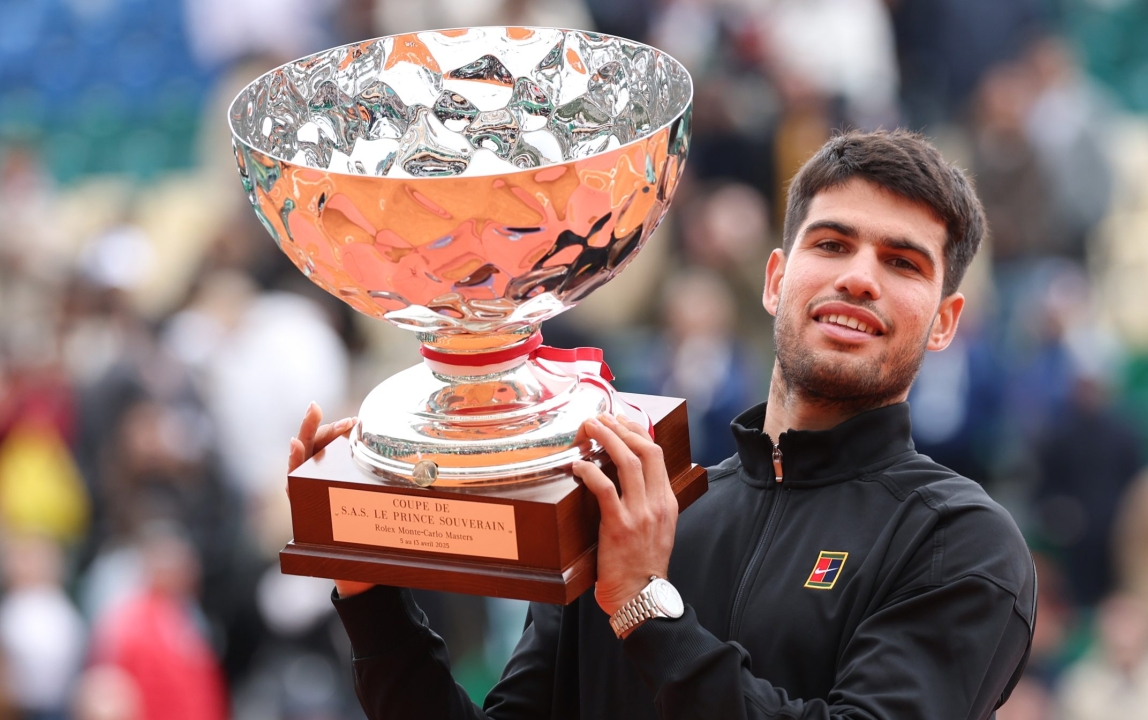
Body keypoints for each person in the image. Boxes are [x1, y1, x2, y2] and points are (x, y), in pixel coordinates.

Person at [293, 130, 1036, 719]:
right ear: (776, 280)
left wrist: (645, 605)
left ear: (943, 324)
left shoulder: (956, 543)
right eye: (832, 244)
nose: (860, 276)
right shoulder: (636, 512)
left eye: (902, 263)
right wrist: (369, 592)